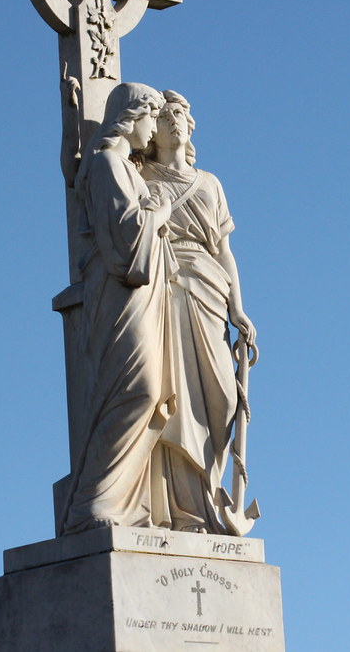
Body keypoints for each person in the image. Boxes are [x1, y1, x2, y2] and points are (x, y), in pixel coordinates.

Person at [139, 90, 256, 534]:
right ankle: (178, 508)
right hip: (164, 285)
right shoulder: (141, 175)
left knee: (222, 398)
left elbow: (225, 251)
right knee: (174, 396)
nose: (176, 123)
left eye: (183, 117)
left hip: (209, 288)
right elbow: (84, 180)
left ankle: (208, 494)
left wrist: (238, 309)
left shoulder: (209, 183)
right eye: (168, 117)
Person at [62, 83, 174, 535]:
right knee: (136, 389)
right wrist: (160, 213)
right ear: (132, 115)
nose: (153, 131)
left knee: (146, 393)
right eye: (150, 118)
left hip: (141, 295)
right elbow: (126, 247)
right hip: (120, 293)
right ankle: (92, 503)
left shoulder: (122, 165)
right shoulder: (108, 163)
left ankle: (122, 501)